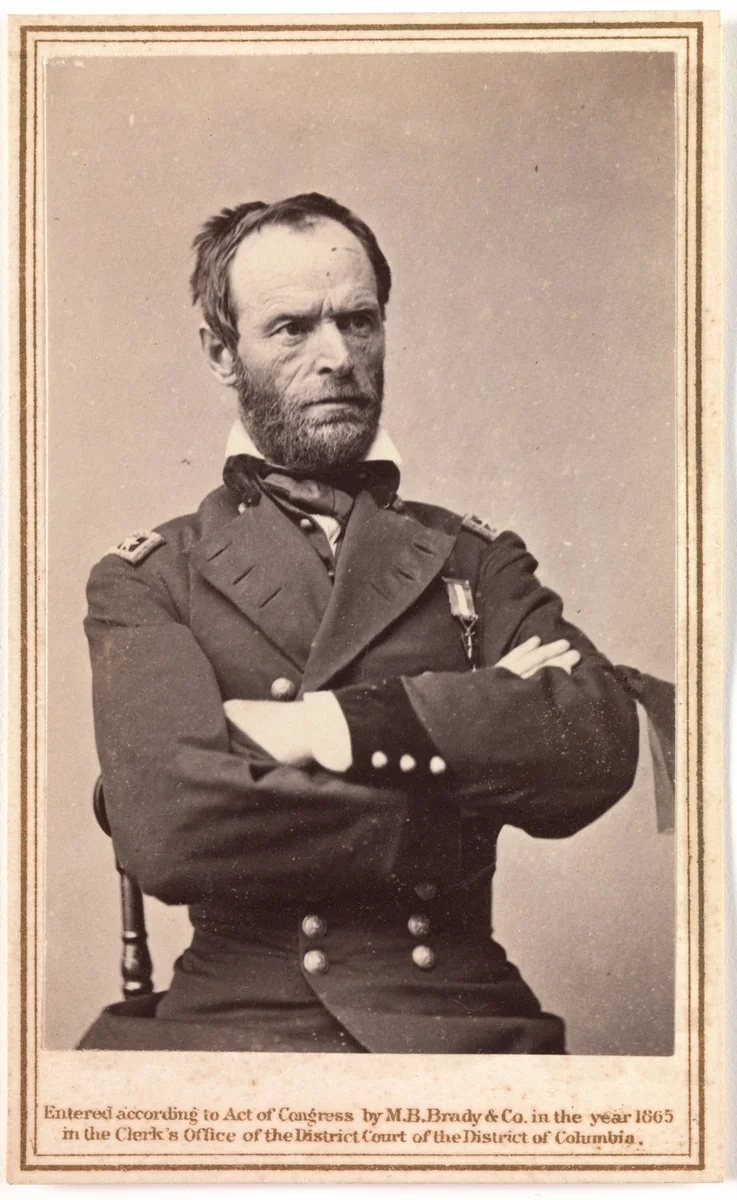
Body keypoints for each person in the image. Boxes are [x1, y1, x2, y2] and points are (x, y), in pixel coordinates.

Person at [78, 192, 640, 1053]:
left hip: (459, 1019)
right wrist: (442, 801)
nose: (338, 355)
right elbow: (168, 829)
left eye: (358, 320)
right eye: (292, 328)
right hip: (236, 1031)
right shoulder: (149, 576)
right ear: (221, 353)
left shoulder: (472, 558)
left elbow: (595, 739)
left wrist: (321, 727)